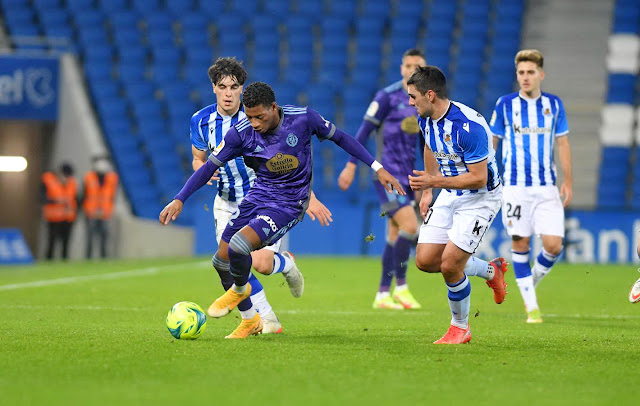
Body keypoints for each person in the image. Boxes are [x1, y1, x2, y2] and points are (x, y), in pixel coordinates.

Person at [160, 81, 405, 338]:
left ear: (273, 108)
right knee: (220, 261)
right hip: (258, 196)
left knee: (239, 247)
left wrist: (377, 167)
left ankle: (239, 290)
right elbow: (209, 167)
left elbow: (342, 138)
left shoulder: (303, 119)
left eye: (260, 117)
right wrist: (180, 199)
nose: (254, 123)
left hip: (290, 202)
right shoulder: (240, 132)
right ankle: (250, 320)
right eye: (250, 116)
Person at [190, 59, 333, 336]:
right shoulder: (201, 120)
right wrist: (203, 172)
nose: (229, 93)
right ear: (214, 89)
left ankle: (285, 263)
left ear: (242, 89)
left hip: (268, 199)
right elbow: (199, 159)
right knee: (232, 261)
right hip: (226, 202)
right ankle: (265, 319)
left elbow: (287, 163)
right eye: (222, 87)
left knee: (263, 264)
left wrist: (309, 196)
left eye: (234, 87)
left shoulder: (256, 118)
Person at [406, 66, 508, 345]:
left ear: (430, 95)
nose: (410, 102)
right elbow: (429, 147)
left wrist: (434, 182)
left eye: (413, 97)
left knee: (451, 264)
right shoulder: (426, 118)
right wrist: (427, 190)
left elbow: (478, 177)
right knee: (426, 261)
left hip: (481, 198)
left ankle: (460, 328)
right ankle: (492, 271)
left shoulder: (469, 127)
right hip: (449, 190)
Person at [337, 48, 426, 310]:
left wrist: (427, 179)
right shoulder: (387, 97)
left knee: (395, 232)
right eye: (407, 65)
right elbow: (363, 132)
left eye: (417, 66)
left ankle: (383, 294)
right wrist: (351, 165)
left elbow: (425, 144)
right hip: (387, 175)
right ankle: (401, 287)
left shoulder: (421, 101)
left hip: (410, 177)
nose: (411, 69)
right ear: (401, 68)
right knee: (411, 227)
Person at [489, 49, 572, 323]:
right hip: (514, 187)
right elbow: (494, 142)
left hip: (546, 186)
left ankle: (528, 286)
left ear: (541, 74)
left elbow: (562, 143)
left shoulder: (555, 105)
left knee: (554, 245)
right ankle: (531, 306)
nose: (525, 77)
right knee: (521, 242)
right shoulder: (504, 104)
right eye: (521, 73)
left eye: (530, 72)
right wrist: (487, 174)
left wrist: (568, 180)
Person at [82, 156, 118, 259]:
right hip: (91, 212)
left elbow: (112, 196)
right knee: (90, 238)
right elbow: (84, 195)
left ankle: (104, 258)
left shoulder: (112, 178)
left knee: (104, 238)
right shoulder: (89, 177)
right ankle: (88, 258)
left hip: (105, 213)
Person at [42, 162, 77, 260]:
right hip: (53, 217)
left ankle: (64, 261)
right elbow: (42, 197)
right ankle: (49, 260)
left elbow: (76, 199)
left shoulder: (72, 182)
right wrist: (55, 201)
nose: (66, 178)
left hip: (68, 217)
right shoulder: (48, 179)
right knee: (51, 241)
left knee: (66, 242)